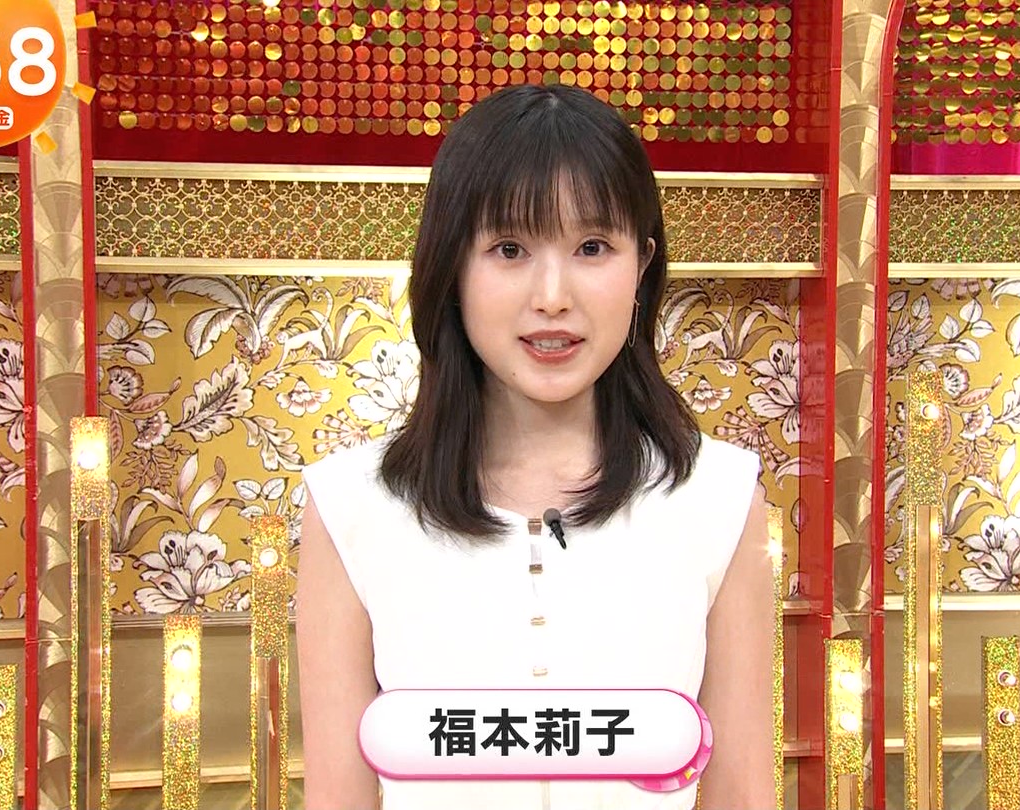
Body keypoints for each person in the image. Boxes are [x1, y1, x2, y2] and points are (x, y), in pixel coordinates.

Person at [295, 83, 776, 810]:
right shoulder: (349, 507)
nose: (552, 295)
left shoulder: (720, 498)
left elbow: (740, 793)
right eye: (510, 249)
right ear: (452, 267)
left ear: (642, 264)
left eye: (592, 248)